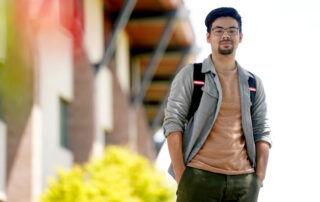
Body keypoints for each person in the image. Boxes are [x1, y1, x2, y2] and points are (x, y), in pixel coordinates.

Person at [163, 7, 271, 202]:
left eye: (232, 30)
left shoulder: (253, 83)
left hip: (244, 182)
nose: (225, 35)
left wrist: (258, 177)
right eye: (218, 30)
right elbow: (173, 123)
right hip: (198, 177)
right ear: (208, 37)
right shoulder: (191, 75)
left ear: (241, 36)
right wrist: (183, 176)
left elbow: (262, 130)